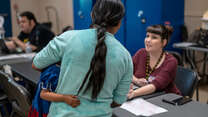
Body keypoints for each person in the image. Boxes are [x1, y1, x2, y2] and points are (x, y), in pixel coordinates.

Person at [32, 0, 133, 117]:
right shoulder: (125, 56)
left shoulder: (67, 38)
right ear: (119, 23)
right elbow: (117, 101)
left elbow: (36, 64)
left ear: (92, 15)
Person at [127, 24, 181, 99]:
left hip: (166, 100)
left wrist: (133, 93)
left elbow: (155, 85)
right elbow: (126, 72)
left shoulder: (171, 62)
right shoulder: (141, 53)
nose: (148, 40)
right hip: (144, 97)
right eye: (147, 36)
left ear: (164, 42)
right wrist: (137, 81)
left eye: (154, 37)